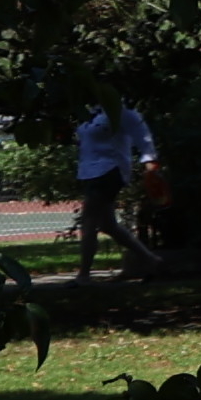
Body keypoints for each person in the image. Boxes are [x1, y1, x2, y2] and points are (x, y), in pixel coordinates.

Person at [68, 102, 154, 277]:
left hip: (110, 170)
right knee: (108, 225)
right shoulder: (90, 111)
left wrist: (150, 162)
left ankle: (84, 275)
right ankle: (151, 260)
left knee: (89, 222)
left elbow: (142, 135)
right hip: (89, 172)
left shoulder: (121, 110)